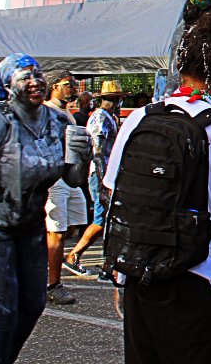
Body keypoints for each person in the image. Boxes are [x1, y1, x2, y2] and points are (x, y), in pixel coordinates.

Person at [105, 0, 211, 362]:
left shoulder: (138, 119)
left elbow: (114, 196)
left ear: (179, 62)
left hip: (141, 277)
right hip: (203, 285)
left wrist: (121, 274)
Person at [0, 54, 92, 364]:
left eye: (37, 75)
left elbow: (73, 178)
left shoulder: (57, 121)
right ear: (6, 85)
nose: (35, 81)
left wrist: (83, 157)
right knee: (4, 310)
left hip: (31, 227)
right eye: (25, 77)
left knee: (34, 303)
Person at [65, 81, 124, 278]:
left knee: (107, 220)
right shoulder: (100, 117)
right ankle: (74, 255)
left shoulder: (109, 117)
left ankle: (106, 263)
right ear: (115, 99)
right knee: (102, 219)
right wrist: (102, 181)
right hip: (100, 175)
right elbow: (97, 151)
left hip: (107, 175)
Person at [42, 70, 88, 302]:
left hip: (71, 178)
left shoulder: (66, 113)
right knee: (57, 232)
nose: (72, 88)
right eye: (68, 84)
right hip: (55, 179)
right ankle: (53, 285)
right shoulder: (46, 112)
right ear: (54, 86)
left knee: (70, 228)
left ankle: (44, 268)